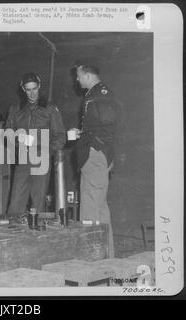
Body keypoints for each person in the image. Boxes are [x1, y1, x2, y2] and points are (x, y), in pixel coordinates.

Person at [73, 59, 119, 258]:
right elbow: (101, 126)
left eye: (79, 75)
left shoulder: (99, 96)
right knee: (99, 207)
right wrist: (83, 132)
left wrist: (93, 143)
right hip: (99, 153)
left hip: (95, 155)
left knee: (90, 208)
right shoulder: (98, 94)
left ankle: (91, 257)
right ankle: (106, 255)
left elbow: (108, 125)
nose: (76, 79)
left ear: (88, 76)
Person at [5, 72, 66, 217]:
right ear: (23, 90)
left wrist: (47, 152)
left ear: (39, 87)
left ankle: (37, 236)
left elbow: (60, 136)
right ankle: (13, 235)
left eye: (34, 89)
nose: (32, 93)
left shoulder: (50, 109)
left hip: (41, 161)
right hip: (22, 160)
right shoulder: (16, 109)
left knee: (38, 203)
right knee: (16, 203)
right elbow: (8, 132)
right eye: (28, 90)